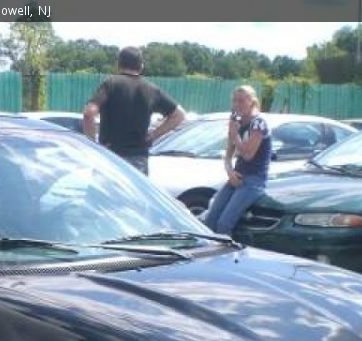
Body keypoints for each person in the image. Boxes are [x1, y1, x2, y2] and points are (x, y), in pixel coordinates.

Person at [83, 46, 186, 175]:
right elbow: (179, 115)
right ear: (141, 66)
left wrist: (94, 144)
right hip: (138, 159)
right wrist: (152, 136)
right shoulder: (151, 89)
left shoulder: (110, 84)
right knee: (136, 196)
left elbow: (89, 113)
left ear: (118, 64)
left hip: (110, 157)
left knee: (106, 195)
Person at [203, 85, 272, 236]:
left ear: (251, 102)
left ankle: (226, 255)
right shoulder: (237, 123)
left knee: (224, 224)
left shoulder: (258, 123)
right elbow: (228, 155)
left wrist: (235, 134)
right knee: (210, 220)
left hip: (254, 180)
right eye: (234, 101)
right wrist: (230, 172)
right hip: (237, 177)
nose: (237, 105)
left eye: (241, 101)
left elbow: (248, 155)